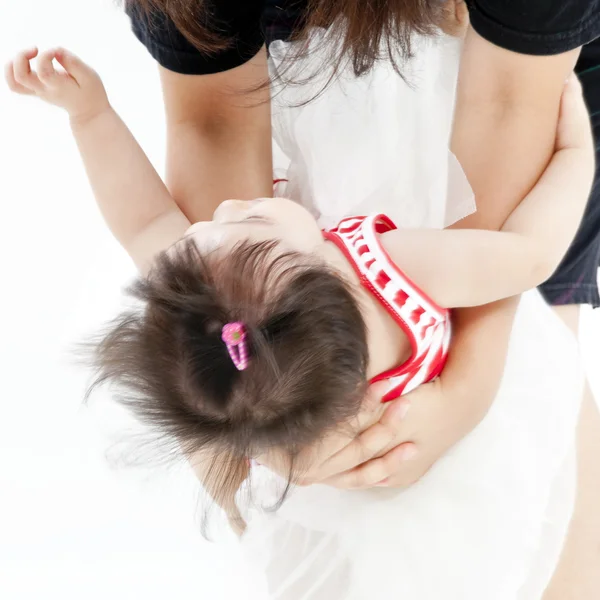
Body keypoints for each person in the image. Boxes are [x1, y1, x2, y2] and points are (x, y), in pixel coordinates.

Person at [3, 44, 594, 597]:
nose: (218, 213)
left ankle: (257, 524)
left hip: (315, 496)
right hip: (439, 453)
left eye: (198, 238)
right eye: (251, 225)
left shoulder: (236, 334)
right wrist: (576, 155)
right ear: (329, 269)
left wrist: (90, 116)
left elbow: (141, 220)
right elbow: (527, 255)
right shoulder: (391, 268)